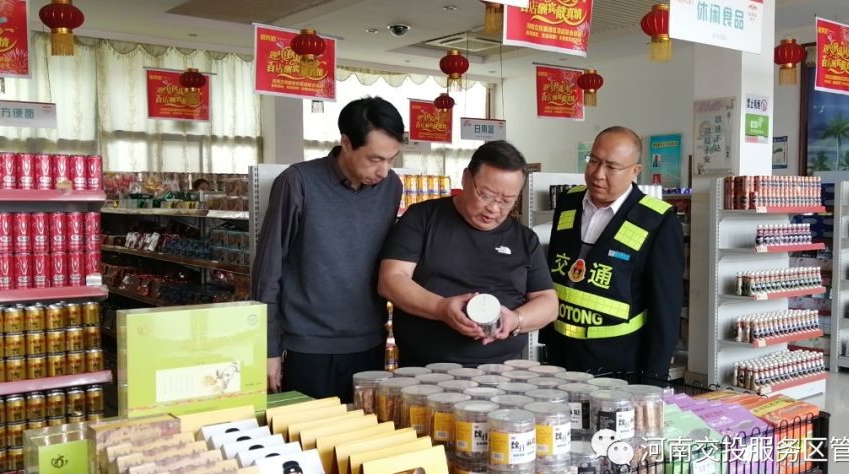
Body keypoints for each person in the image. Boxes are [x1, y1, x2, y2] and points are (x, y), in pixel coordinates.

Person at [252, 97, 404, 403]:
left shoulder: (391, 187)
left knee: (361, 429)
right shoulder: (297, 182)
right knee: (304, 431)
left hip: (368, 343)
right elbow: (268, 271)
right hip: (307, 347)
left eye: (392, 159)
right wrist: (267, 349)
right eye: (375, 159)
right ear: (346, 143)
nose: (384, 170)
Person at [379, 140, 559, 366]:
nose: (494, 208)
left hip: (502, 370)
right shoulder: (423, 218)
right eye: (486, 195)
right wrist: (441, 308)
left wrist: (516, 319)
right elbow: (391, 279)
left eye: (507, 201)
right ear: (465, 178)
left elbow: (548, 303)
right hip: (425, 370)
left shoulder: (525, 239)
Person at [544, 126, 684, 375]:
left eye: (611, 167)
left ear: (635, 171)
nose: (598, 174)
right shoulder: (568, 203)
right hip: (561, 358)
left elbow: (665, 310)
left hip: (618, 364)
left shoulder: (656, 220)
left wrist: (654, 380)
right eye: (593, 161)